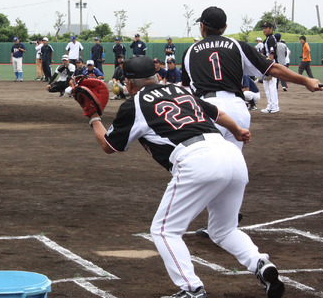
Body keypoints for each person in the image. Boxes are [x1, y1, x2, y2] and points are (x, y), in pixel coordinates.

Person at [86, 55, 285, 298]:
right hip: (231, 155)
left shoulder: (135, 104)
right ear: (157, 76)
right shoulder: (180, 90)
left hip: (197, 161)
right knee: (224, 230)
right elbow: (218, 114)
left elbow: (109, 146)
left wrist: (94, 117)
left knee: (164, 230)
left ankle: (191, 289)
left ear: (128, 83)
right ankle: (261, 264)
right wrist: (238, 130)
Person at [181, 6, 321, 149]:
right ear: (225, 27)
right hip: (237, 110)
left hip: (209, 110)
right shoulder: (237, 46)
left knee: (209, 163)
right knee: (233, 161)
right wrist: (305, 80)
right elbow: (273, 69)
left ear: (202, 26)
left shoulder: (189, 52)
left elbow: (186, 92)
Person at [260, 22, 279, 113]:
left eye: (266, 28)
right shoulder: (267, 39)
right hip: (266, 65)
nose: (264, 29)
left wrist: (269, 68)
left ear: (271, 29)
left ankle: (274, 106)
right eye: (263, 28)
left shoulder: (271, 39)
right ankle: (270, 105)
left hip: (270, 65)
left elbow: (271, 54)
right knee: (267, 86)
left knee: (271, 86)